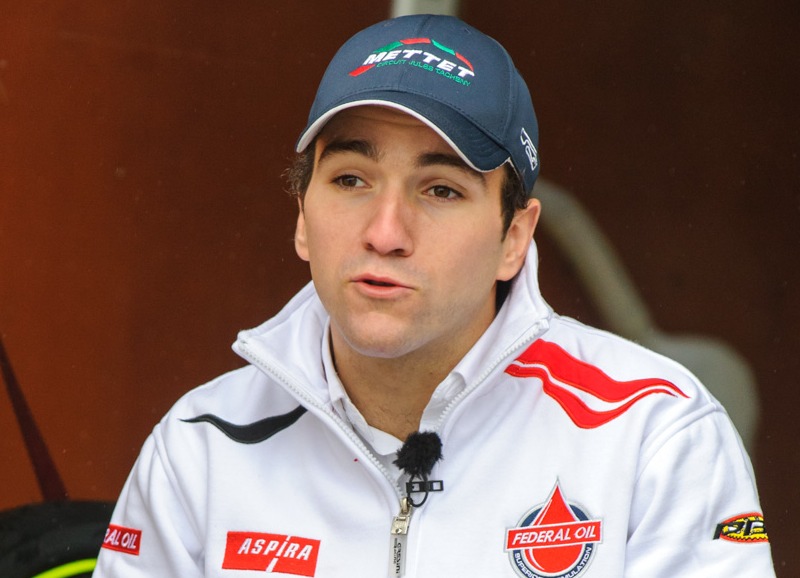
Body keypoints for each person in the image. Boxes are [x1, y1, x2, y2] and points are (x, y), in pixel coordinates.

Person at [93, 14, 775, 578]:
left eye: (441, 189)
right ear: (301, 215)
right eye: (351, 180)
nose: (385, 233)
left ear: (515, 237)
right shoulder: (202, 446)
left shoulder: (653, 433)